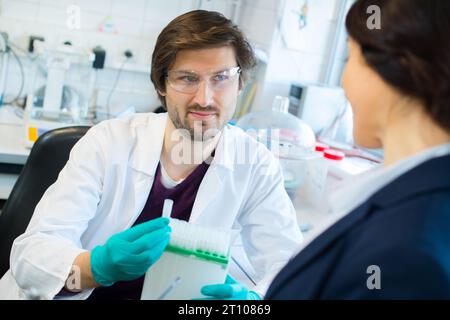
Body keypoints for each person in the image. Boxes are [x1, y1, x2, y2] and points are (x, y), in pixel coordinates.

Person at [0, 10, 303, 300]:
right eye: (187, 78)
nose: (205, 98)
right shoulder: (108, 143)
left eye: (221, 77)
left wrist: (252, 299)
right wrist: (96, 267)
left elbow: (293, 270)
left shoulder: (255, 165)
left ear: (240, 84)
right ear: (161, 85)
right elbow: (31, 257)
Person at [266, 0, 450, 299]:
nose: (343, 80)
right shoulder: (414, 197)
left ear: (395, 66)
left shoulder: (406, 256)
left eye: (350, 55)